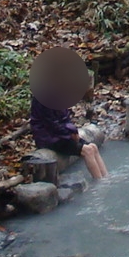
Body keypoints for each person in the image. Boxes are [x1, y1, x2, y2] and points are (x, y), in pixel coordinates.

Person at [30, 46, 108, 180]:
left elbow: (64, 117)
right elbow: (50, 124)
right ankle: (101, 184)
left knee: (93, 146)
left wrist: (73, 132)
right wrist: (69, 134)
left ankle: (107, 178)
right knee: (88, 150)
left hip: (60, 134)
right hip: (48, 137)